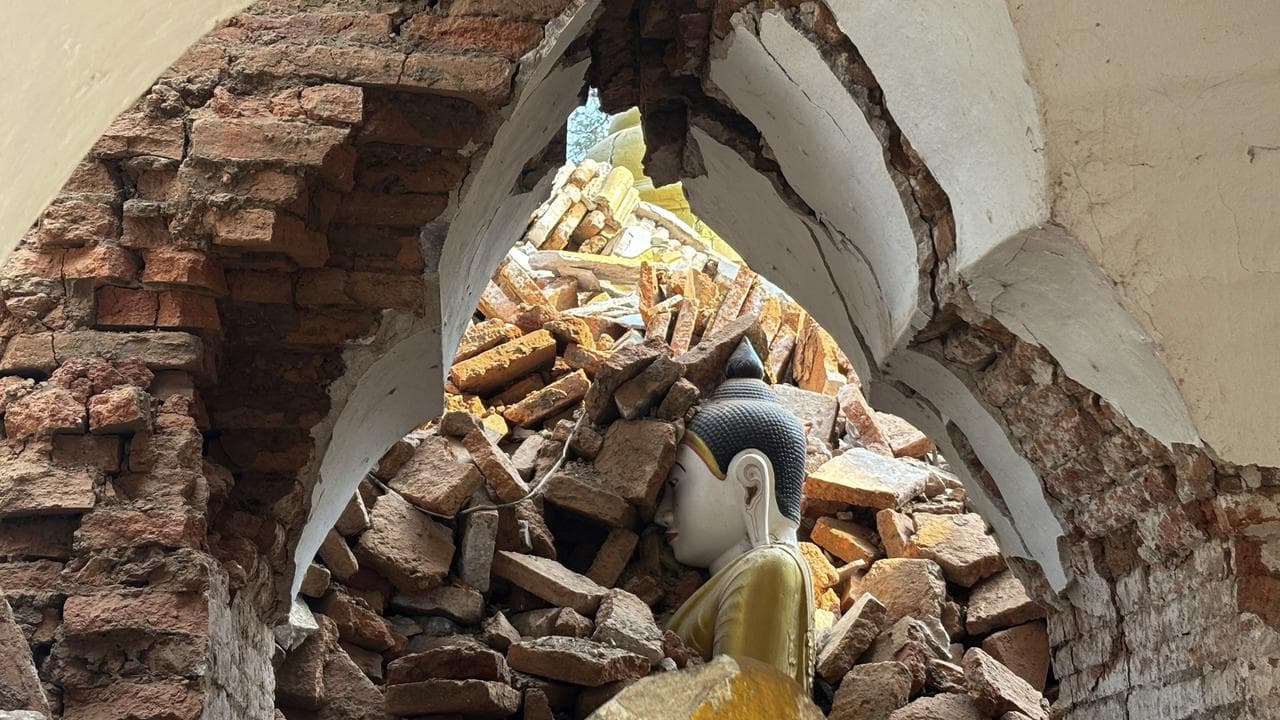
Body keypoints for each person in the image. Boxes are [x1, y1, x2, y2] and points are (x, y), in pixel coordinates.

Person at [655, 338, 815, 694]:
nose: (663, 513)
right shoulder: (743, 575)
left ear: (751, 485)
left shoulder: (768, 570)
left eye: (676, 483)